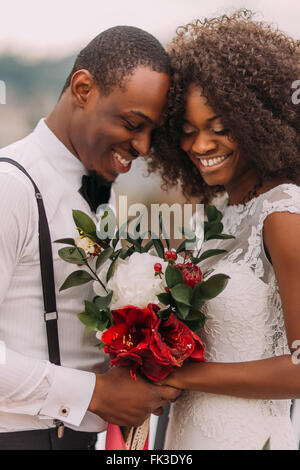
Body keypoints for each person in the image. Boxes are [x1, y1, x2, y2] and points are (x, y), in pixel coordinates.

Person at [0, 25, 180, 450]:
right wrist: (96, 394)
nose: (142, 146)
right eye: (134, 124)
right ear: (83, 88)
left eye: (152, 132)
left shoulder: (102, 194)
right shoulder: (11, 185)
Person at [149, 9, 300, 450]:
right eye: (188, 130)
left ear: (261, 123)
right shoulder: (218, 215)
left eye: (220, 128)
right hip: (185, 435)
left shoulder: (283, 217)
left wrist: (180, 374)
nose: (200, 146)